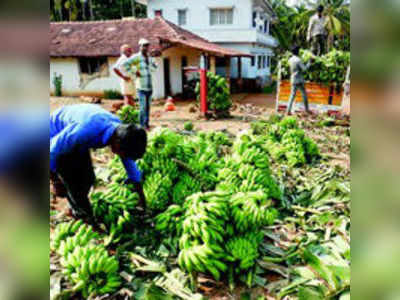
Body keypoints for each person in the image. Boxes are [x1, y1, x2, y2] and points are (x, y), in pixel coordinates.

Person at [50, 104, 147, 224]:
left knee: (88, 179)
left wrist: (142, 199)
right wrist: (55, 180)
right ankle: (85, 218)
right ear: (117, 142)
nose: (123, 156)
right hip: (54, 135)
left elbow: (129, 164)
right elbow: (51, 150)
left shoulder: (122, 133)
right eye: (124, 153)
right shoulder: (85, 131)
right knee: (74, 183)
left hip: (75, 138)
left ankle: (75, 207)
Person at [123, 38, 158, 130]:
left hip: (149, 86)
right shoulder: (136, 57)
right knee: (142, 108)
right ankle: (141, 126)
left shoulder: (149, 58)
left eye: (147, 46)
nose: (145, 48)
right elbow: (125, 65)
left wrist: (153, 62)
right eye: (143, 46)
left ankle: (146, 124)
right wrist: (134, 72)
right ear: (140, 47)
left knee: (148, 108)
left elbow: (155, 67)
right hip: (141, 86)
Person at [287, 45, 312, 115]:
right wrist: (309, 63)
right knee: (304, 95)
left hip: (293, 79)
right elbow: (304, 69)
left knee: (292, 96)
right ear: (297, 52)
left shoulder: (290, 59)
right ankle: (307, 110)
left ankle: (288, 110)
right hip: (299, 80)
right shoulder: (298, 60)